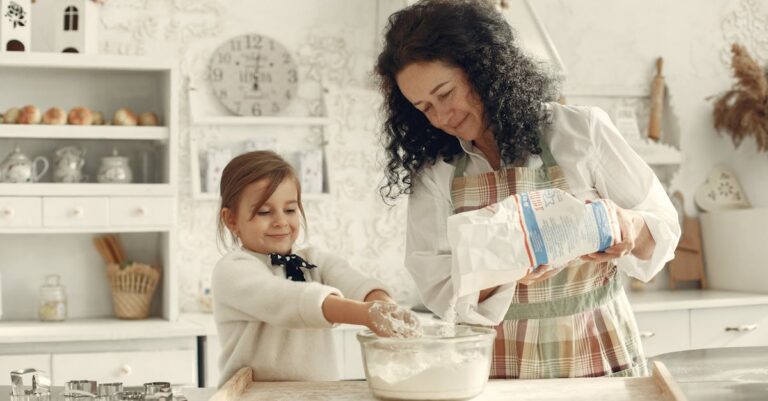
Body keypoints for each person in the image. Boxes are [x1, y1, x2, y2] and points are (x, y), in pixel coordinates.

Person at [374, 0, 680, 379]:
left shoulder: (581, 132)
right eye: (423, 107)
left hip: (597, 349)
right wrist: (503, 272)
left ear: (483, 68)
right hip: (497, 362)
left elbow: (665, 231)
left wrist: (628, 228)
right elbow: (440, 292)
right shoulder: (436, 174)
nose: (440, 117)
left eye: (445, 93)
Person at [212, 150, 421, 386]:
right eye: (264, 212)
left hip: (317, 393)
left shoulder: (313, 260)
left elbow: (353, 281)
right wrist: (367, 315)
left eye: (290, 210)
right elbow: (287, 300)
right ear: (231, 220)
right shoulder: (233, 270)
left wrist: (384, 305)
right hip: (252, 394)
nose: (281, 221)